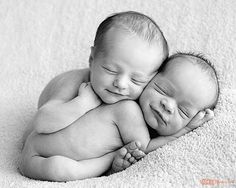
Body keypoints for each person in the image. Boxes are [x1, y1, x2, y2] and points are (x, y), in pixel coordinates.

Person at [19, 52, 219, 181]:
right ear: (150, 78)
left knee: (62, 168)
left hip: (39, 151)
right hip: (42, 156)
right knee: (62, 170)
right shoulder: (127, 108)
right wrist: (184, 130)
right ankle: (106, 164)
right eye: (162, 89)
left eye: (183, 111)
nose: (167, 105)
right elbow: (145, 148)